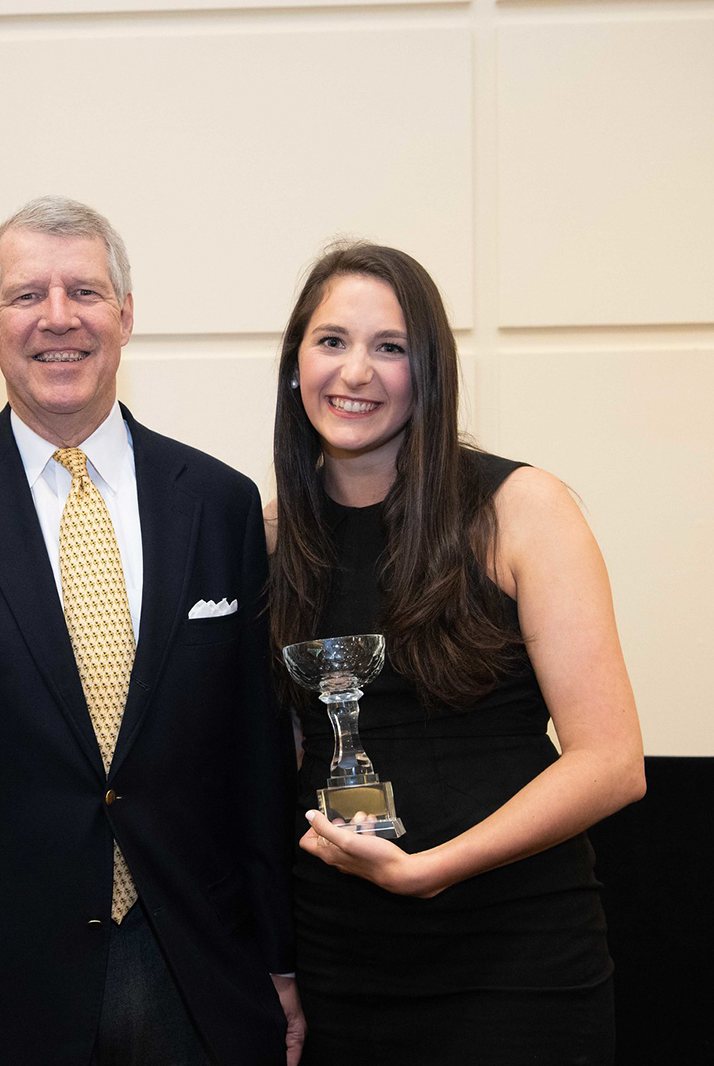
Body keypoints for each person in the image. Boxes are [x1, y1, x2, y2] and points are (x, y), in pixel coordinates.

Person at [0, 196, 303, 1065]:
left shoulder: (219, 506)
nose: (57, 318)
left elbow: (255, 764)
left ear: (125, 315)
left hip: (193, 972)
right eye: (26, 295)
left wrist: (278, 960)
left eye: (84, 290)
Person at [265, 242, 645, 1064]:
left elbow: (612, 761)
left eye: (390, 347)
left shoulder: (520, 509)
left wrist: (432, 868)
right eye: (331, 341)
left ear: (428, 372)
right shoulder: (270, 536)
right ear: (295, 365)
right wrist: (277, 958)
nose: (355, 372)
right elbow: (283, 756)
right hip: (341, 958)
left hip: (515, 953)